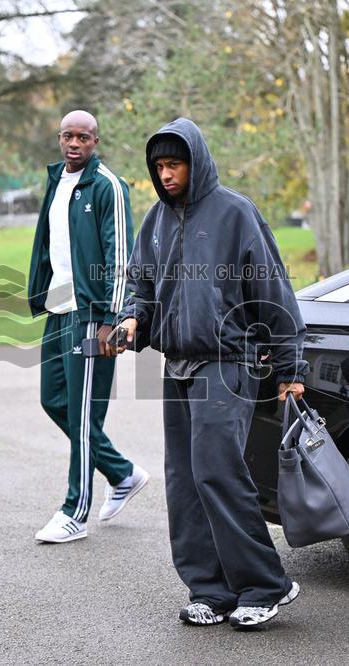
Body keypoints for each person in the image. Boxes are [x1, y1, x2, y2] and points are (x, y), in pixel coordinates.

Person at [111, 118, 309, 629]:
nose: (166, 173)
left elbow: (273, 293)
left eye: (174, 163)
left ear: (195, 163)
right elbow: (142, 286)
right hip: (176, 365)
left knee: (216, 472)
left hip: (228, 363)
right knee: (183, 481)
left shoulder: (235, 213)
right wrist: (132, 319)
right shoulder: (155, 220)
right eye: (158, 166)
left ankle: (267, 585)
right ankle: (210, 589)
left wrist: (290, 367)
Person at [26, 110, 148, 544]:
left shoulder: (108, 186)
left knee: (81, 411)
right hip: (60, 309)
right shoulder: (57, 180)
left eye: (83, 137)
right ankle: (121, 472)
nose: (74, 143)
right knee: (54, 400)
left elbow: (120, 257)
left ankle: (74, 510)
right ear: (59, 139)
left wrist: (112, 320)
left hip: (93, 315)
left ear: (95, 141)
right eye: (67, 136)